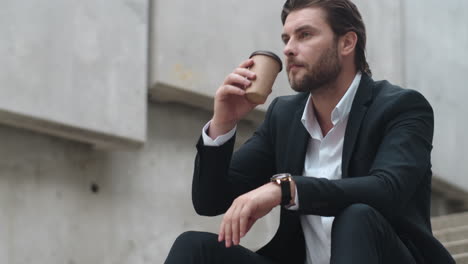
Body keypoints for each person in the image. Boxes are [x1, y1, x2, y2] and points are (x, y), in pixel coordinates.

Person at [164, 0, 455, 263]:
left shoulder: (401, 107)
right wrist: (223, 122)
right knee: (193, 248)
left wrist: (286, 190)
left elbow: (386, 190)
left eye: (304, 35)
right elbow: (210, 201)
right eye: (285, 38)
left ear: (347, 43)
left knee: (356, 216)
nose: (289, 48)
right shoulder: (285, 115)